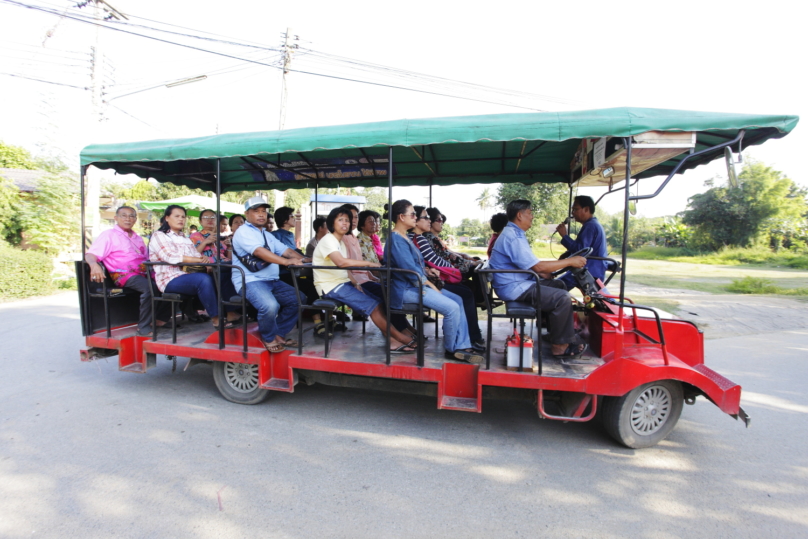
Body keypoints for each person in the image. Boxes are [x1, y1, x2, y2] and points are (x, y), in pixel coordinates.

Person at [384, 199, 482, 364]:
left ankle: (463, 345)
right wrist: (429, 284)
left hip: (416, 285)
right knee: (451, 308)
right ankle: (452, 349)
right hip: (406, 290)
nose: (415, 217)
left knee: (458, 300)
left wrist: (428, 272)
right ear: (401, 217)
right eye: (413, 214)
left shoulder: (405, 237)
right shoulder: (396, 239)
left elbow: (416, 265)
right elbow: (409, 271)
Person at [489, 200, 587, 359]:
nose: (532, 216)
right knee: (562, 298)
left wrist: (544, 272)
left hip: (518, 282)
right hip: (514, 288)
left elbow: (530, 264)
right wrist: (570, 261)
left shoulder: (516, 234)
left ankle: (555, 333)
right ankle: (560, 347)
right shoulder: (512, 237)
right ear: (520, 215)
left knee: (559, 284)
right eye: (529, 213)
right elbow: (538, 267)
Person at [313, 207, 416, 353]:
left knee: (379, 303)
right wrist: (369, 263)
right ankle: (400, 337)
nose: (345, 223)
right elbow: (341, 262)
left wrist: (355, 283)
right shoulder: (328, 240)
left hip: (342, 284)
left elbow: (344, 267)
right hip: (330, 287)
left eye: (347, 220)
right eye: (340, 220)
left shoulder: (340, 241)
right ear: (332, 223)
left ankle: (392, 340)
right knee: (373, 305)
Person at [149, 205, 241, 331]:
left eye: (183, 217)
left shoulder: (184, 238)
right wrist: (199, 259)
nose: (181, 219)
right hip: (169, 279)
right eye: (177, 216)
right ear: (167, 218)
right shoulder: (159, 235)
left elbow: (195, 254)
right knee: (202, 279)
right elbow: (170, 256)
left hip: (187, 275)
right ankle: (216, 318)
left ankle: (232, 311)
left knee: (219, 274)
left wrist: (205, 263)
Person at [231, 197, 306, 353]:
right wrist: (287, 262)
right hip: (250, 281)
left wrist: (306, 260)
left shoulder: (266, 234)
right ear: (246, 214)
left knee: (299, 299)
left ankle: (278, 333)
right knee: (270, 306)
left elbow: (286, 251)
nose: (261, 215)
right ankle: (268, 337)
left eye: (263, 211)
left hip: (271, 280)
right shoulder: (243, 232)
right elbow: (259, 252)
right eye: (256, 211)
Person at [85, 206, 169, 336]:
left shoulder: (138, 238)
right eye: (124, 215)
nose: (128, 218)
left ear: (135, 219)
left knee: (169, 282)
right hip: (124, 275)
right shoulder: (109, 235)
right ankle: (143, 327)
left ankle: (160, 319)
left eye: (131, 216)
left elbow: (147, 258)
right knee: (149, 288)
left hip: (143, 273)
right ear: (116, 218)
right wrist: (93, 264)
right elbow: (91, 254)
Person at [409, 205, 485, 350]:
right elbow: (436, 260)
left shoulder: (413, 238)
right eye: (426, 218)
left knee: (464, 292)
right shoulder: (419, 238)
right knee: (464, 295)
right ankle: (467, 339)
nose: (430, 221)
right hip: (423, 283)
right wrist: (455, 270)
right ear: (415, 220)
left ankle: (464, 340)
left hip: (425, 280)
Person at [272, 206, 326, 333]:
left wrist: (306, 259)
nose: (294, 219)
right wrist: (305, 259)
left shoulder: (290, 235)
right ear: (285, 220)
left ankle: (322, 320)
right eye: (291, 216)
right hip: (283, 275)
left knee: (315, 285)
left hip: (293, 273)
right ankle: (318, 323)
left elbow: (294, 252)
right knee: (312, 287)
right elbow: (285, 253)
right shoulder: (275, 235)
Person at [425, 207, 484, 303]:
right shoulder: (430, 238)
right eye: (439, 220)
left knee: (476, 266)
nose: (442, 222)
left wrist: (466, 257)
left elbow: (448, 253)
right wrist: (470, 263)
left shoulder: (433, 238)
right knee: (475, 271)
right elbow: (446, 257)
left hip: (446, 269)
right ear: (430, 221)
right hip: (444, 272)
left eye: (442, 220)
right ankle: (482, 298)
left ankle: (481, 298)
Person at [555, 195, 608, 291]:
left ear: (586, 209)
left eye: (575, 209)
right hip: (591, 268)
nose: (572, 213)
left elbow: (580, 251)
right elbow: (583, 248)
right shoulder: (592, 224)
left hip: (589, 270)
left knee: (555, 287)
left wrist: (564, 236)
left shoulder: (590, 226)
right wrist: (567, 254)